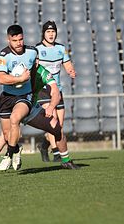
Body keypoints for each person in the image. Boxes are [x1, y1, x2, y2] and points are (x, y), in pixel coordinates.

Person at [0, 64, 80, 176]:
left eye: (36, 58)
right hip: (13, 105)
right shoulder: (16, 67)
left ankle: (66, 161)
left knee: (56, 128)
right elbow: (1, 78)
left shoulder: (42, 72)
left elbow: (55, 91)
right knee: (5, 136)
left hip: (31, 108)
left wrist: (50, 107)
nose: (34, 61)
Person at [0, 24, 37, 170]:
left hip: (25, 95)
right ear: (8, 40)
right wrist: (20, 79)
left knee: (15, 119)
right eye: (15, 40)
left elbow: (37, 70)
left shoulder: (32, 52)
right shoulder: (3, 56)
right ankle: (16, 150)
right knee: (7, 134)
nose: (19, 43)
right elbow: (0, 78)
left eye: (21, 39)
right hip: (7, 97)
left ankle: (8, 154)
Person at [35, 21, 76, 162]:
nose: (51, 34)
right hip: (43, 90)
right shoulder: (37, 50)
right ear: (43, 33)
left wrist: (71, 70)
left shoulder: (61, 48)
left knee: (59, 126)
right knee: (52, 121)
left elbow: (67, 63)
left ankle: (43, 145)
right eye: (48, 32)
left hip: (57, 91)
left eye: (53, 32)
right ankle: (57, 152)